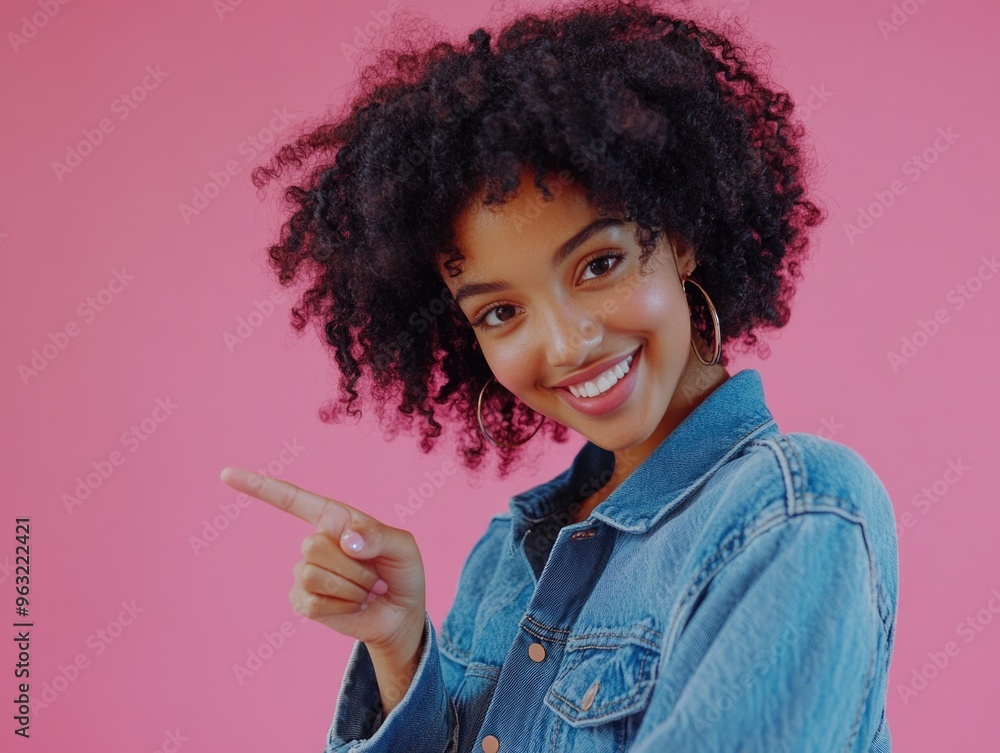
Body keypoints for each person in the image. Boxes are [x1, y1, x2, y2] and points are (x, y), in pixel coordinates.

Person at [220, 0, 899, 750]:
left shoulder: (795, 512)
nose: (568, 342)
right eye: (501, 313)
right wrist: (402, 648)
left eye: (599, 264)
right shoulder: (504, 557)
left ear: (678, 236)